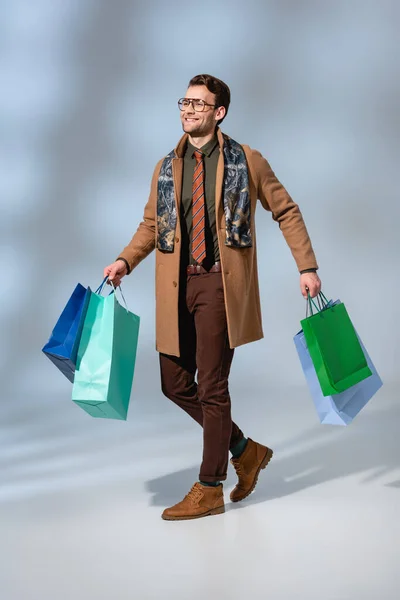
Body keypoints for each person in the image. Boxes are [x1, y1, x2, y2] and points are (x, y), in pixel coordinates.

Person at [103, 74, 321, 521]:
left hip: (221, 285)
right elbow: (151, 225)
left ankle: (209, 487)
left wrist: (307, 266)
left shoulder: (247, 160)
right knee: (175, 384)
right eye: (185, 102)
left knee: (213, 386)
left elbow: (287, 210)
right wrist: (125, 261)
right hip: (175, 285)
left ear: (218, 112)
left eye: (199, 104)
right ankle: (245, 450)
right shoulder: (167, 166)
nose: (189, 110)